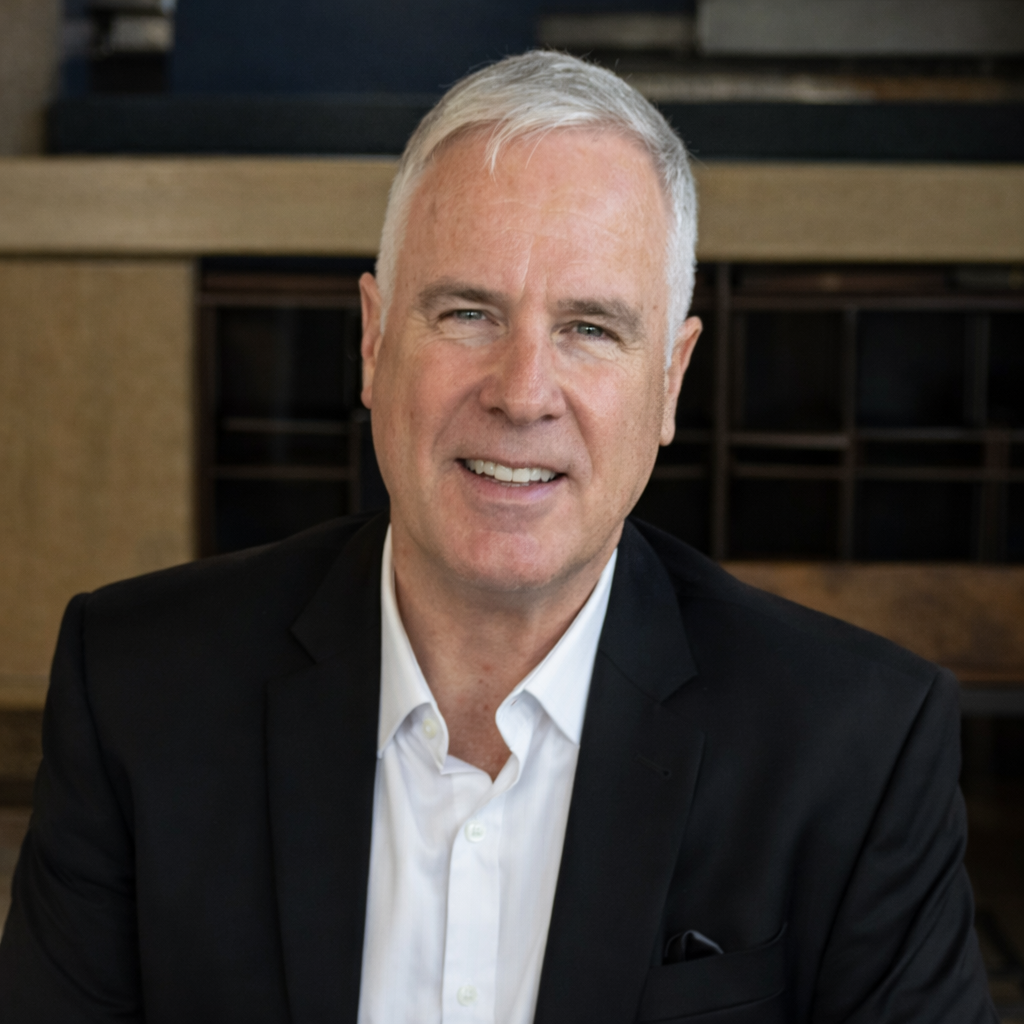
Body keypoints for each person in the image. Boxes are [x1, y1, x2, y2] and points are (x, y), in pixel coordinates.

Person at [0, 50, 995, 1024]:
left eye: (590, 328)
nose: (522, 394)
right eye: (469, 312)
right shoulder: (136, 689)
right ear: (373, 340)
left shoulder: (855, 747)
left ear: (669, 382)